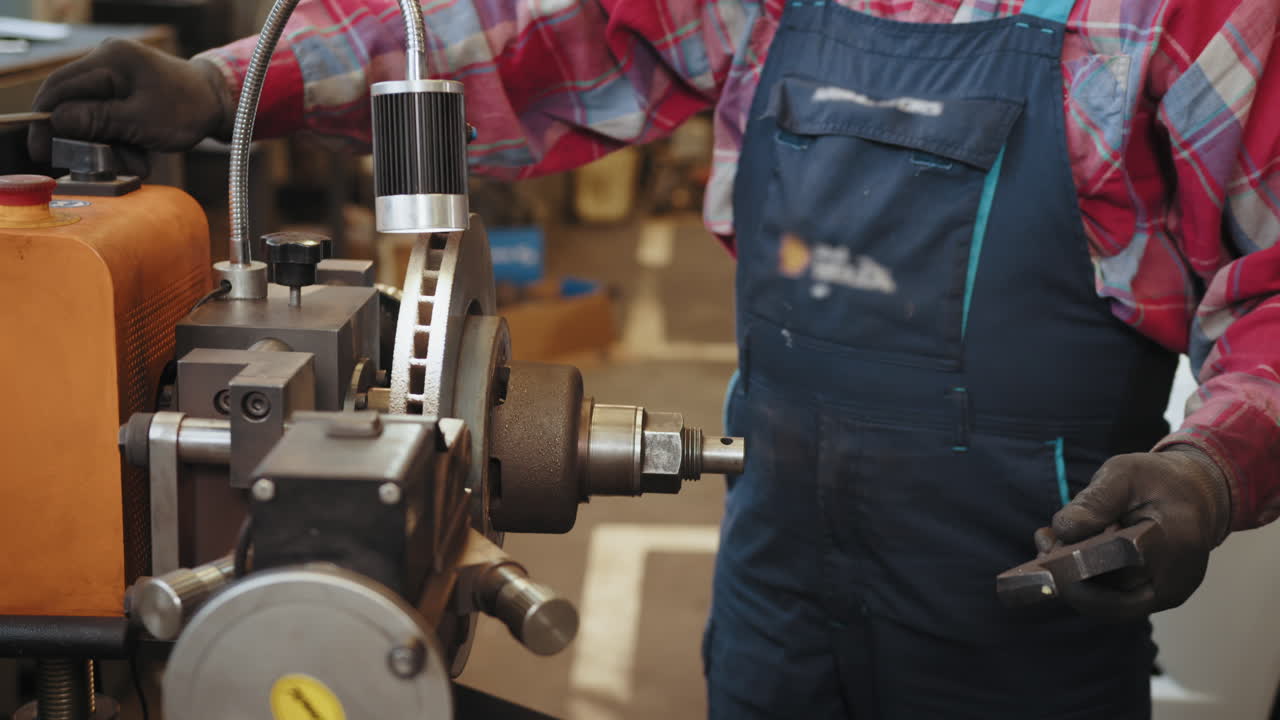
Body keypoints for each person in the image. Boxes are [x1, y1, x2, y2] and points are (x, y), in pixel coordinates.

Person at [29, 0, 1280, 716]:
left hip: (1028, 627)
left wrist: (1207, 474)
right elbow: (525, 38)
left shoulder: (1182, 20)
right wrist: (219, 86)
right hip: (776, 593)